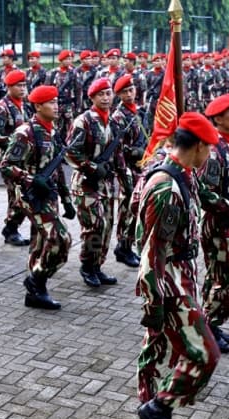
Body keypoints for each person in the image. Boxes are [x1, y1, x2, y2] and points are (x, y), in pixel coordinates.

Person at [135, 112, 221, 419]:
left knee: (168, 351)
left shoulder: (182, 174)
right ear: (198, 146)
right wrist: (153, 301)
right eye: (209, 148)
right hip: (168, 283)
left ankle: (159, 415)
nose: (211, 155)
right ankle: (155, 411)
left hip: (180, 276)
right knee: (204, 354)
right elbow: (152, 251)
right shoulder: (167, 187)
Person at [1, 85, 76, 309]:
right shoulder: (25, 133)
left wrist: (67, 199)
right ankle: (35, 281)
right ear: (38, 106)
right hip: (29, 195)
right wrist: (30, 179)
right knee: (61, 239)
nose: (56, 106)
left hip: (49, 195)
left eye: (56, 102)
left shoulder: (52, 131)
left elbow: (57, 168)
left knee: (41, 242)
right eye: (51, 103)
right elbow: (5, 165)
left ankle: (36, 293)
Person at [198, 93, 229, 353]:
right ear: (218, 118)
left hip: (224, 220)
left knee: (219, 276)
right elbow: (204, 193)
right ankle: (208, 327)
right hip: (216, 222)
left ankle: (211, 325)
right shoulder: (215, 151)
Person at [66, 77, 126, 287]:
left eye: (108, 93)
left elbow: (117, 153)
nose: (106, 97)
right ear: (92, 97)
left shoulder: (115, 121)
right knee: (94, 226)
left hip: (106, 184)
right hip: (86, 184)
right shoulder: (83, 121)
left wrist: (123, 177)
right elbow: (70, 152)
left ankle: (98, 266)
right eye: (101, 94)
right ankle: (87, 266)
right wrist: (92, 167)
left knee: (107, 225)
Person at [0, 69, 30, 246]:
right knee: (16, 196)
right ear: (9, 87)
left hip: (22, 158)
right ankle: (10, 229)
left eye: (24, 85)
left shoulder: (21, 104)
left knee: (21, 195)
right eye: (19, 85)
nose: (23, 88)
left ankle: (12, 227)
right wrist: (13, 141)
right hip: (8, 160)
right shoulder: (2, 107)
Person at [110, 74, 144, 268]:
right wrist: (133, 153)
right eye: (124, 92)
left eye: (131, 90)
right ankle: (123, 246)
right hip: (127, 169)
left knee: (136, 209)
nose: (129, 94)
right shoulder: (118, 117)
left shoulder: (138, 112)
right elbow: (117, 148)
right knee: (127, 208)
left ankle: (127, 245)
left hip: (140, 167)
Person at [46, 50, 80, 140]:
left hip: (69, 105)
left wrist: (78, 106)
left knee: (70, 128)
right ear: (61, 60)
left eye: (70, 59)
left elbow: (78, 90)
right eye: (66, 59)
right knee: (55, 127)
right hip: (56, 104)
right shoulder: (53, 73)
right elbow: (46, 89)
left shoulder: (74, 73)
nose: (68, 61)